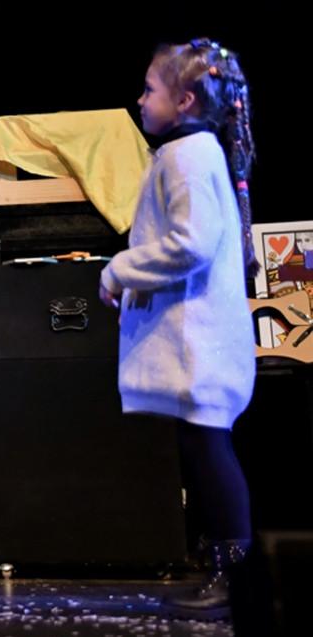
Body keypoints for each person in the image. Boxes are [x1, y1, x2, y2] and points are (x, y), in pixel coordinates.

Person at [99, 37, 257, 620]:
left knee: (207, 446)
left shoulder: (187, 156)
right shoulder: (190, 151)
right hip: (198, 339)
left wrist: (120, 269)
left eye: (150, 89)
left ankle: (235, 577)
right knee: (200, 445)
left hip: (202, 341)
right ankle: (222, 570)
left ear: (185, 99)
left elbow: (191, 243)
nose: (140, 100)